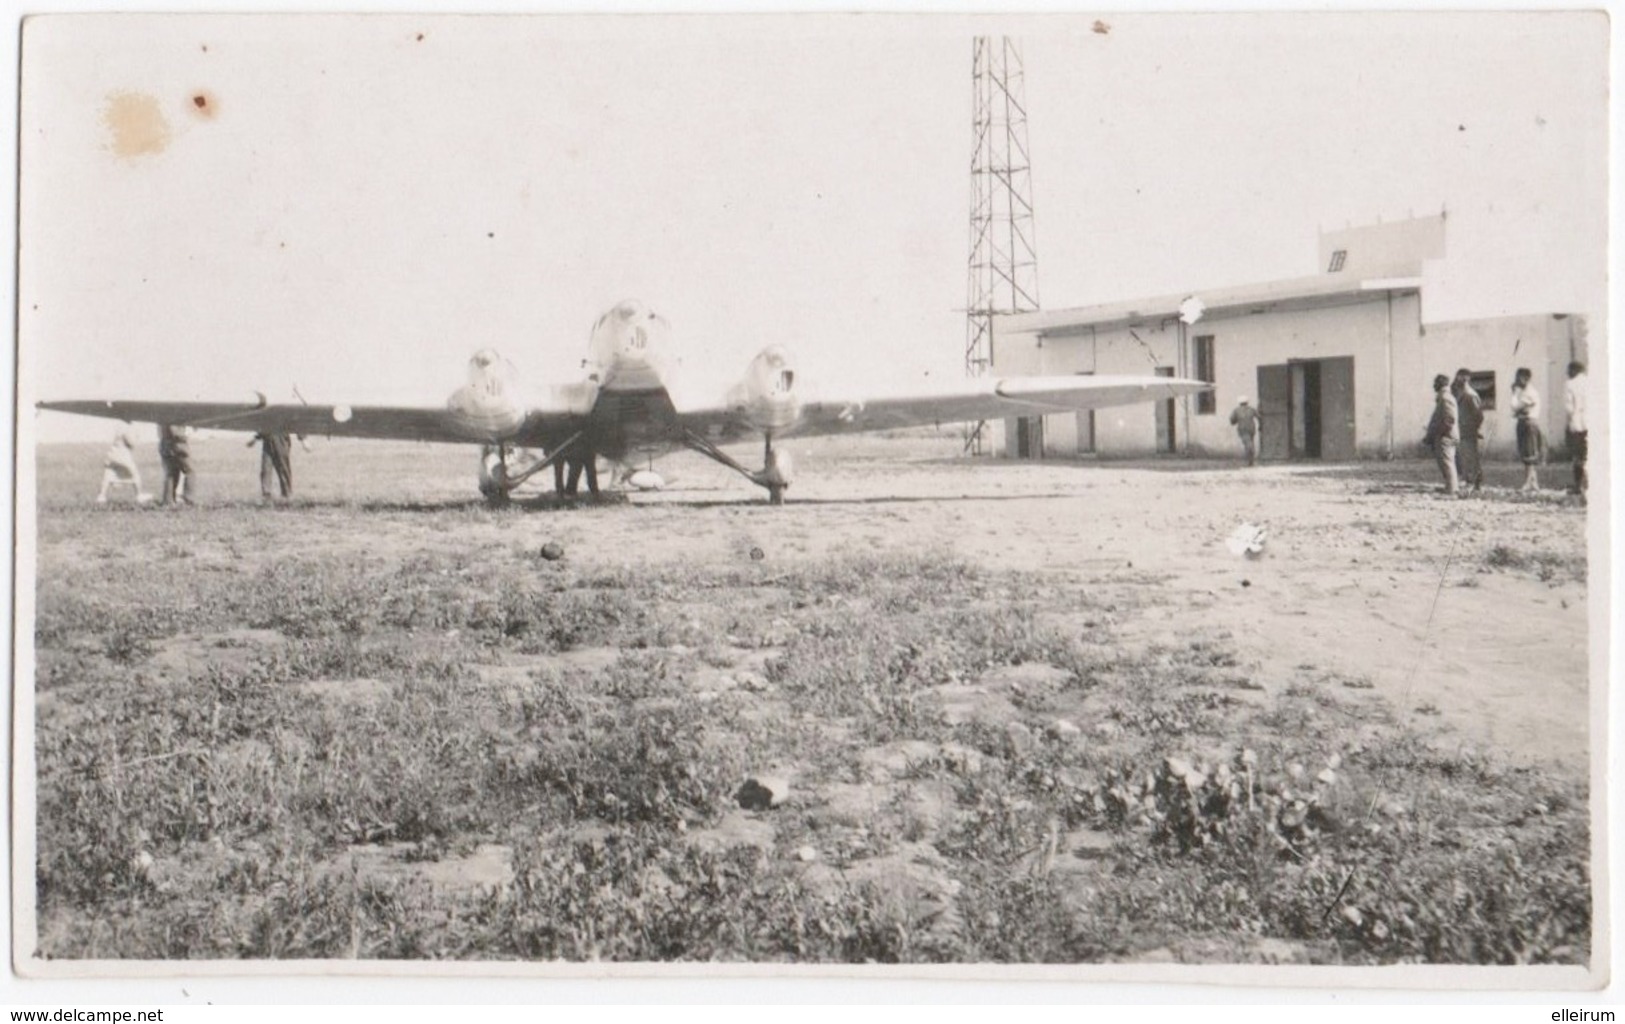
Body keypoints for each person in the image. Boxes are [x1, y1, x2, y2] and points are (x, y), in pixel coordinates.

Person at [1422, 373, 1460, 497]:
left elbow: (1449, 419)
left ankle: (1452, 489)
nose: (1433, 386)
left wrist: (1440, 433)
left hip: (1446, 436)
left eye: (1435, 383)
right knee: (1446, 462)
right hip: (1445, 435)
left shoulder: (1445, 397)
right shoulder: (1444, 397)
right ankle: (1451, 486)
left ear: (1440, 384)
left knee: (1447, 462)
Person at [1509, 367, 1544, 492]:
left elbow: (1515, 407)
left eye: (1519, 378)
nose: (1516, 381)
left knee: (1529, 453)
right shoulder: (1524, 392)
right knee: (1526, 453)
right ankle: (1533, 482)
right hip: (1524, 422)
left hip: (1528, 423)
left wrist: (1514, 393)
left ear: (1526, 378)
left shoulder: (1529, 393)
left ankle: (1528, 482)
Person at [1451, 368, 1485, 495]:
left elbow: (1479, 415)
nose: (1460, 380)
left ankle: (1475, 483)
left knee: (1471, 457)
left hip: (1469, 431)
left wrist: (1474, 427)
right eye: (1459, 377)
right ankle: (1469, 481)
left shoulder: (1471, 395)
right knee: (1463, 457)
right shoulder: (1459, 394)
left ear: (1467, 379)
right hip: (1461, 430)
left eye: (1463, 378)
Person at [248, 430, 309, 500]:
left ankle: (286, 493)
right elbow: (265, 425)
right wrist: (255, 439)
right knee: (265, 469)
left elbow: (295, 423)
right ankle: (266, 494)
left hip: (281, 439)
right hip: (268, 440)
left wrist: (303, 440)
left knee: (283, 468)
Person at [96, 430, 150, 504]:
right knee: (134, 473)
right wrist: (137, 437)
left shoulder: (119, 428)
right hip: (122, 455)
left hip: (112, 453)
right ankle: (139, 495)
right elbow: (131, 443)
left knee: (108, 474)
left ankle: (101, 495)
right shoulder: (126, 428)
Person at [1564, 360, 1588, 504]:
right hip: (1592, 423)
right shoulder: (1590, 382)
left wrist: (1569, 422)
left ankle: (1579, 485)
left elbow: (1569, 408)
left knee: (1577, 456)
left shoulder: (1570, 384)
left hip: (1577, 423)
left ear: (1573, 371)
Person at [157, 423, 193, 505]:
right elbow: (175, 432)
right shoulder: (173, 415)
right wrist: (184, 437)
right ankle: (189, 498)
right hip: (177, 444)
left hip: (165, 444)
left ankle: (168, 500)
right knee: (190, 471)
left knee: (171, 474)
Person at [1229, 397, 1261, 466]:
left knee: (1247, 445)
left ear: (1239, 403)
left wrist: (1237, 420)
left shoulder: (1236, 410)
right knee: (1250, 443)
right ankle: (1251, 460)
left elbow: (1232, 421)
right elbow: (1259, 417)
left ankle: (1249, 461)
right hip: (1251, 429)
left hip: (1242, 429)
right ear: (1247, 402)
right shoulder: (1251, 409)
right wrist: (1260, 426)